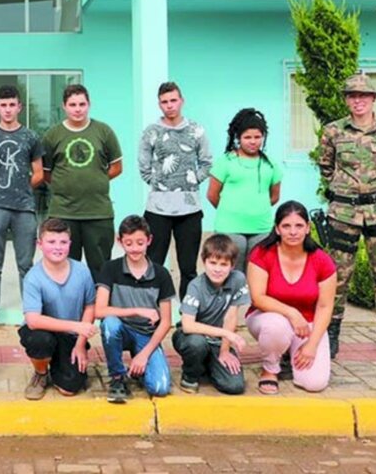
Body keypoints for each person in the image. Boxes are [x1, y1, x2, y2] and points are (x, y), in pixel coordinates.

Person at [319, 72, 376, 366]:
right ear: (347, 100)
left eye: (363, 96)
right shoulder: (333, 131)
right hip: (343, 215)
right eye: (352, 96)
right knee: (337, 276)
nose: (357, 101)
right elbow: (325, 167)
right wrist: (342, 189)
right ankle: (330, 334)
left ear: (373, 99)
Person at [246, 201, 337, 394]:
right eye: (286, 226)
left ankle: (290, 352)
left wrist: (312, 345)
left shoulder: (322, 260)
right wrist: (292, 313)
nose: (293, 232)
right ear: (277, 229)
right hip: (267, 317)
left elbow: (325, 307)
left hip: (307, 325)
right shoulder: (262, 254)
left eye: (299, 226)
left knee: (315, 383)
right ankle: (270, 368)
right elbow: (258, 298)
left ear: (308, 228)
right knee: (277, 326)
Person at [0, 85, 44, 333]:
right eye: (3, 105)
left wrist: (22, 188)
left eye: (12, 104)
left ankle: (31, 313)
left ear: (19, 107)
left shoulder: (31, 137)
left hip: (24, 208)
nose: (8, 109)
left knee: (26, 264)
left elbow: (38, 173)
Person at [138, 82, 212, 298]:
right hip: (158, 209)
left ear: (181, 101)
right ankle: (152, 315)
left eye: (173, 100)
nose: (169, 105)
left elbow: (207, 163)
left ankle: (187, 319)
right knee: (153, 265)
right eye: (164, 102)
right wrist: (160, 183)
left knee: (188, 267)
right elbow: (143, 166)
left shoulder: (196, 130)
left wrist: (191, 180)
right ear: (159, 104)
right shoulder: (152, 132)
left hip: (189, 210)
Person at [42, 84, 122, 277]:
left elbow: (117, 167)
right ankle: (70, 307)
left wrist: (97, 180)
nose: (77, 109)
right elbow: (45, 173)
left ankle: (100, 306)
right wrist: (65, 184)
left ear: (89, 105)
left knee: (101, 269)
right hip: (63, 212)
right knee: (65, 268)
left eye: (82, 104)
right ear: (64, 106)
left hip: (98, 213)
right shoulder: (52, 135)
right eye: (72, 104)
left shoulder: (104, 131)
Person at [96, 215, 174, 403]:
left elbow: (166, 322)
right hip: (120, 331)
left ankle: (139, 367)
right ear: (120, 241)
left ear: (149, 240)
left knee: (160, 387)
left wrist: (144, 355)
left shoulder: (161, 273)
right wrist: (137, 310)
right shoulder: (110, 268)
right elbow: (99, 311)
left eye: (140, 242)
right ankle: (117, 377)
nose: (135, 248)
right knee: (110, 324)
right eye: (128, 243)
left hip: (146, 336)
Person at [19, 218, 97, 401]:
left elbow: (90, 306)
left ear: (70, 244)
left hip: (71, 336)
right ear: (40, 244)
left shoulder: (82, 271)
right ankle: (41, 372)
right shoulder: (33, 277)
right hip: (43, 332)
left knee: (70, 388)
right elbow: (33, 320)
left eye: (63, 242)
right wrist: (76, 326)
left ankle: (59, 364)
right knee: (40, 341)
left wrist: (80, 344)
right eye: (51, 242)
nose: (57, 247)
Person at [171, 234, 249, 395]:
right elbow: (188, 325)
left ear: (232, 265)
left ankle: (208, 365)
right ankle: (190, 374)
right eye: (212, 263)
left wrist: (225, 350)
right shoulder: (196, 286)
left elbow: (231, 316)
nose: (217, 269)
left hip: (217, 341)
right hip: (191, 336)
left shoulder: (238, 280)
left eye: (223, 264)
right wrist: (227, 334)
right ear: (204, 261)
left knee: (234, 386)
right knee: (196, 344)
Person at [207, 108, 282, 272]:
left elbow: (274, 196)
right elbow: (212, 195)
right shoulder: (226, 161)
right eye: (247, 137)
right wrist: (231, 210)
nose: (253, 141)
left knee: (257, 274)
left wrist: (256, 207)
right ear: (238, 137)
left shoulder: (271, 165)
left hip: (261, 229)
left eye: (257, 137)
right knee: (231, 274)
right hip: (229, 227)